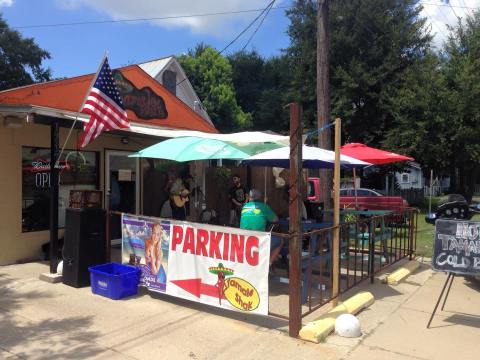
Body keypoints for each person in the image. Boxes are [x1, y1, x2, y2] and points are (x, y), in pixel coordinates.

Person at [240, 189, 283, 267]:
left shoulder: (244, 207)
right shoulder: (264, 207)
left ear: (250, 197)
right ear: (260, 197)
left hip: (244, 240)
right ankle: (268, 264)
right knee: (280, 241)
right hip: (258, 241)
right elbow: (276, 219)